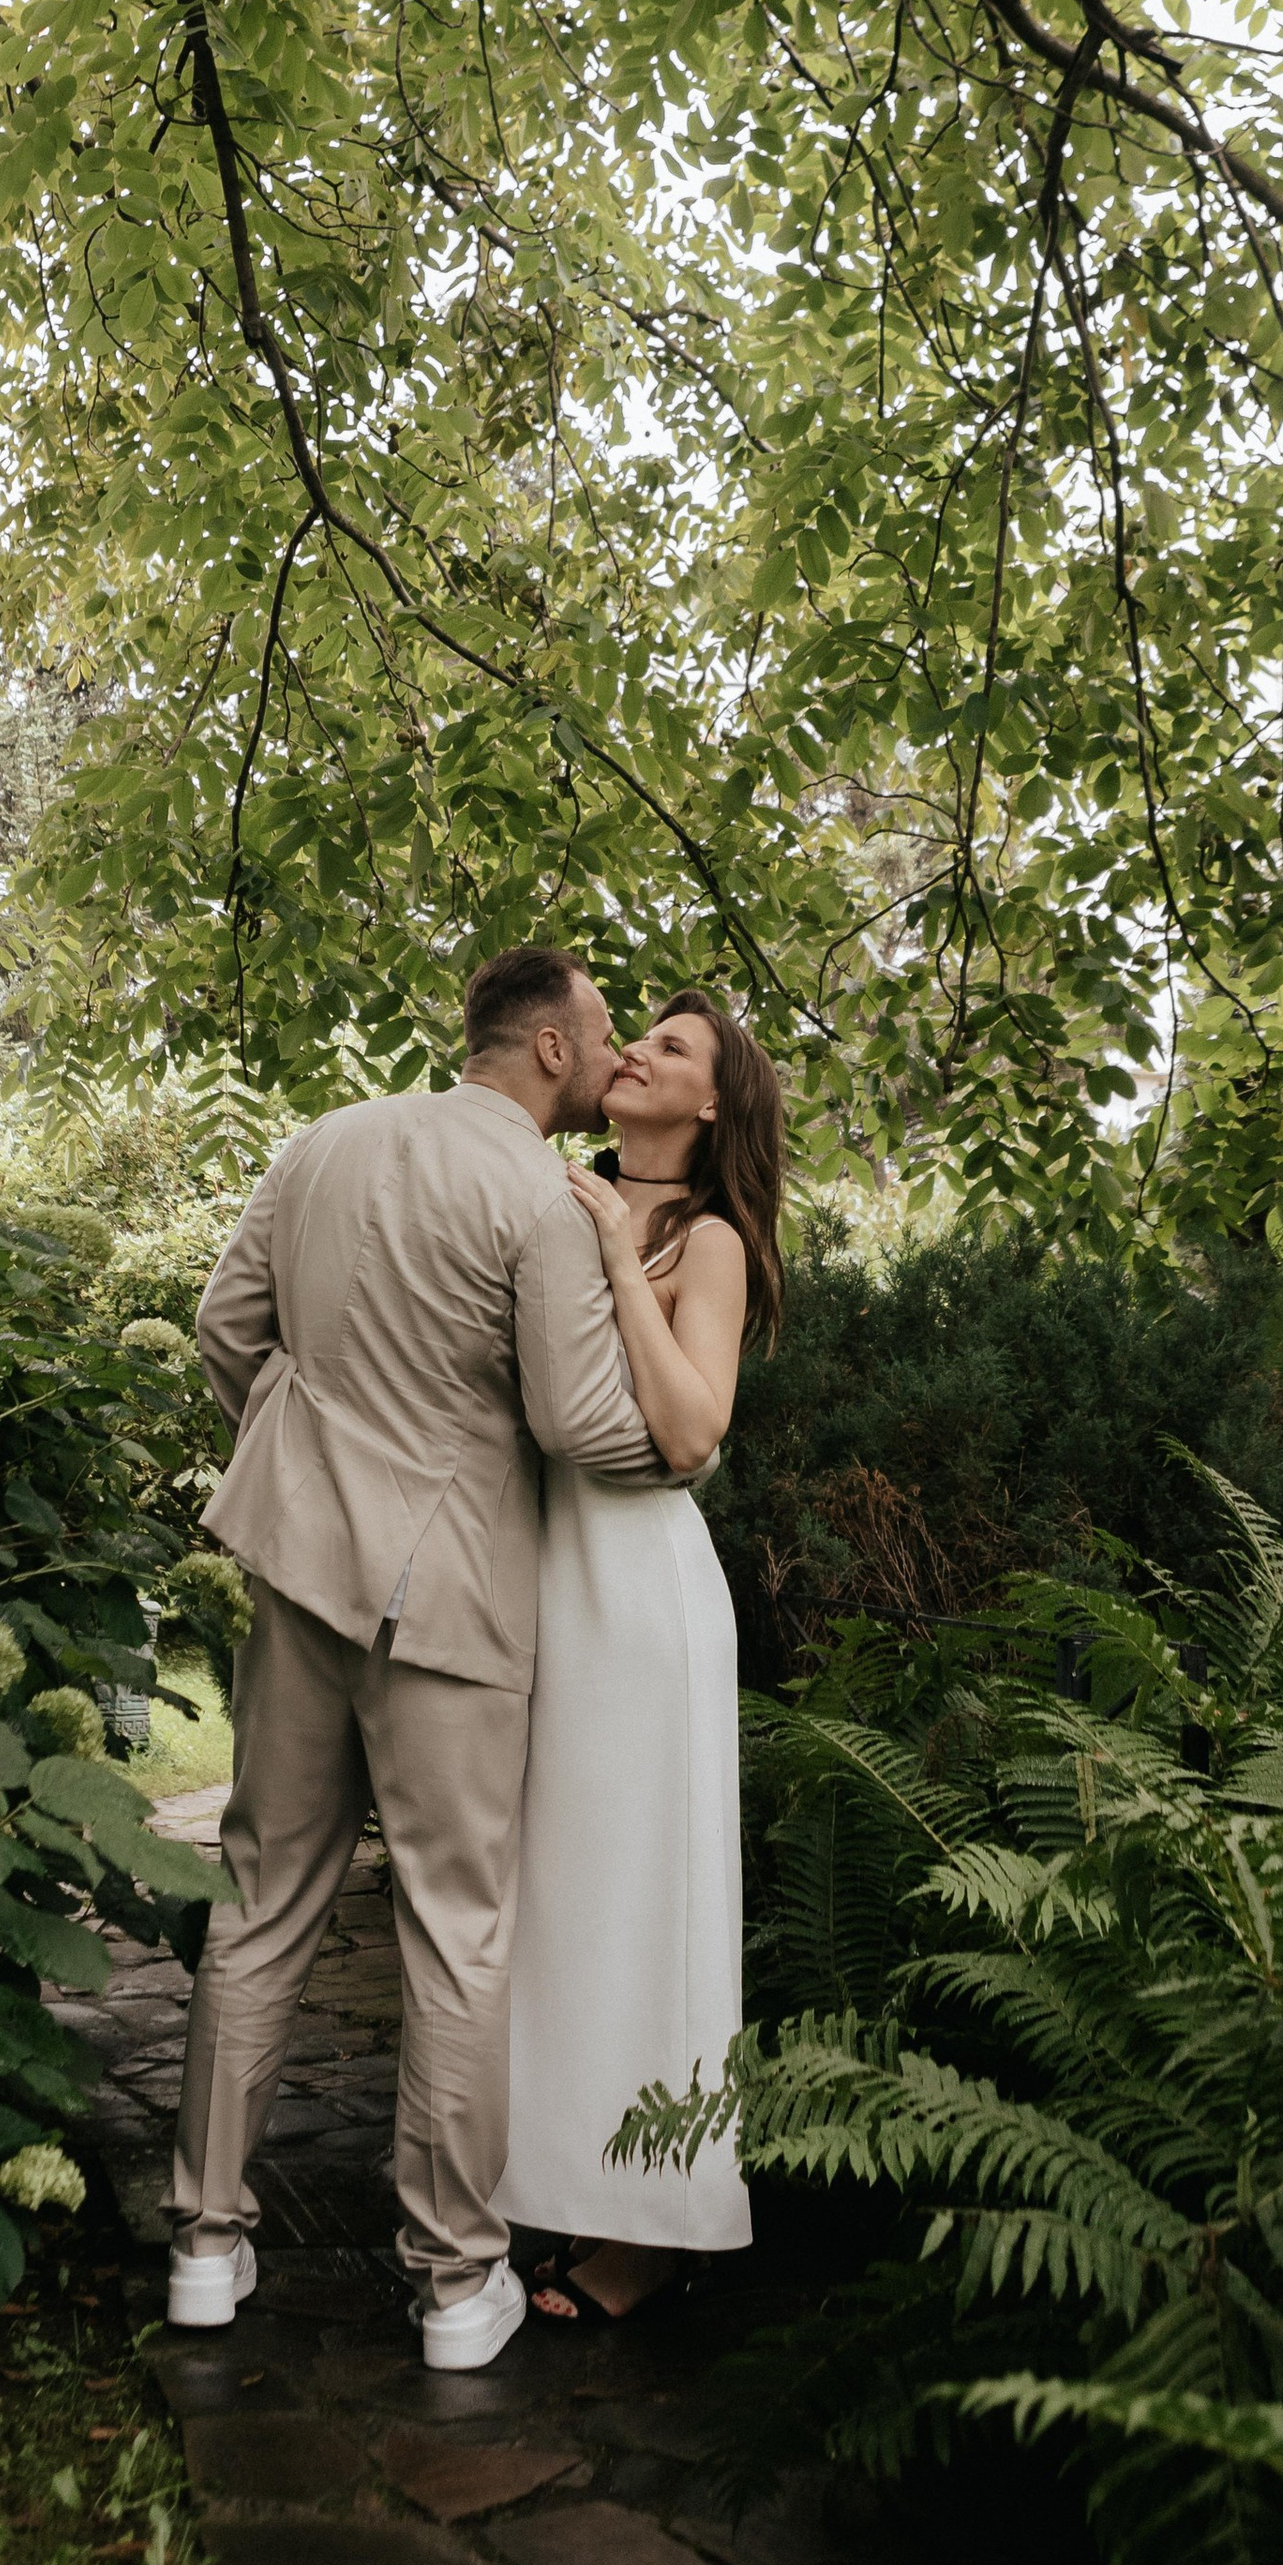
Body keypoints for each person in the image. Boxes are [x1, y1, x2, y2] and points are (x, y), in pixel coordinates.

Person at [168, 947, 662, 2370]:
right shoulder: (545, 1196)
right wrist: (685, 1448)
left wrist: (299, 1473)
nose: (615, 1050)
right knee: (458, 1924)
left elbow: (225, 1333)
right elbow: (575, 1424)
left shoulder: (321, 1143)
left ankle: (205, 2245)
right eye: (605, 1028)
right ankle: (455, 2285)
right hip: (448, 1603)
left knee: (261, 1900)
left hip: (297, 1578)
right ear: (553, 1050)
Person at [497, 986, 786, 2322]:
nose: (635, 1055)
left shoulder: (711, 1240)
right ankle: (556, 2182)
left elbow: (690, 1433)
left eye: (671, 1048)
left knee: (645, 1915)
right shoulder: (555, 1189)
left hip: (645, 1598)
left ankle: (658, 2224)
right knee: (561, 1911)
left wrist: (627, 1262)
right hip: (548, 1580)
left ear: (712, 1100)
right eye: (636, 1036)